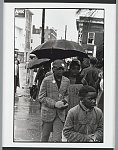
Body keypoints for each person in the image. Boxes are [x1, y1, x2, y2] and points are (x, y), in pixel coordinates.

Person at [38, 59, 70, 142]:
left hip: (60, 114)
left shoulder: (66, 81)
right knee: (45, 137)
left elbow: (67, 94)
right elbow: (41, 97)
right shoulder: (46, 80)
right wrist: (55, 104)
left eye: (62, 69)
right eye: (59, 69)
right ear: (53, 69)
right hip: (48, 113)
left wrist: (65, 102)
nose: (61, 71)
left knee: (57, 139)